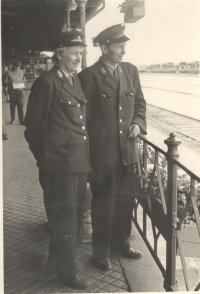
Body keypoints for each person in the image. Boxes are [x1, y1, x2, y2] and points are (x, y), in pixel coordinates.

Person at [24, 29, 91, 290]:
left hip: (77, 163)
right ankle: (67, 273)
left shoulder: (74, 80)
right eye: (75, 53)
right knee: (65, 219)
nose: (79, 58)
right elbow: (33, 128)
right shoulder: (47, 82)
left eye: (81, 54)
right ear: (60, 54)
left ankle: (55, 263)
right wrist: (46, 159)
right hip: (58, 166)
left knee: (71, 216)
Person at [78, 24, 147, 271]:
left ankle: (122, 244)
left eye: (124, 47)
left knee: (126, 202)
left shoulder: (130, 71)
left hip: (127, 153)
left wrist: (138, 124)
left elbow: (139, 104)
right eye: (119, 47)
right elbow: (82, 121)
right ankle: (100, 253)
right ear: (105, 47)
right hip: (102, 155)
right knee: (103, 205)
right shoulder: (88, 77)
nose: (123, 52)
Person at [2, 60, 26, 125]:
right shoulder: (8, 72)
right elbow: (4, 82)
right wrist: (10, 82)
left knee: (21, 106)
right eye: (16, 66)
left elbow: (23, 79)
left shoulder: (21, 72)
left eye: (19, 66)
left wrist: (24, 81)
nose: (18, 68)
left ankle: (21, 120)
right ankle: (12, 119)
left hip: (20, 91)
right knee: (12, 106)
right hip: (12, 91)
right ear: (13, 65)